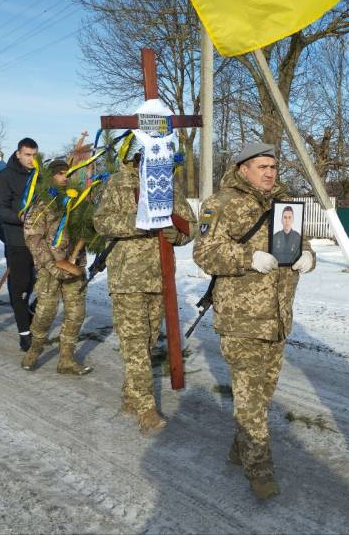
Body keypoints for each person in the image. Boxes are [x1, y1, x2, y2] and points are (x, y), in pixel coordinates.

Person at [192, 142, 316, 500]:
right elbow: (204, 252)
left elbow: (302, 243)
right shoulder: (221, 203)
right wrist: (248, 257)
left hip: (277, 318)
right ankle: (260, 470)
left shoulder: (284, 204)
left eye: (273, 167)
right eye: (261, 166)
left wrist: (308, 257)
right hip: (241, 319)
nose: (268, 173)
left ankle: (240, 447)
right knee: (249, 398)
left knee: (261, 395)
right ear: (243, 168)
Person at [93, 137, 196, 434]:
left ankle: (131, 395)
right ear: (139, 158)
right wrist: (140, 221)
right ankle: (146, 410)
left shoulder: (167, 185)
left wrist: (175, 234)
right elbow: (102, 222)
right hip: (128, 278)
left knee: (148, 342)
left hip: (160, 277)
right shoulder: (117, 183)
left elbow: (188, 224)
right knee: (135, 344)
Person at [21, 159, 92, 376]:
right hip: (49, 268)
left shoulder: (77, 202)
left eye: (67, 174)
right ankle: (34, 350)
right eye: (60, 174)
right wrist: (51, 265)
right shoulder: (42, 205)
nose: (65, 178)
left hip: (74, 267)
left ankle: (66, 360)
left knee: (76, 314)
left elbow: (85, 230)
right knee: (45, 312)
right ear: (51, 176)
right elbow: (33, 238)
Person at [0, 137, 39, 351]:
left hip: (40, 239)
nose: (31, 159)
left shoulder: (39, 176)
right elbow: (0, 208)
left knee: (39, 284)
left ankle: (29, 311)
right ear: (18, 154)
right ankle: (24, 332)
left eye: (34, 155)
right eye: (27, 154)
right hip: (16, 238)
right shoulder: (5, 176)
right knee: (20, 286)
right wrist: (19, 217)